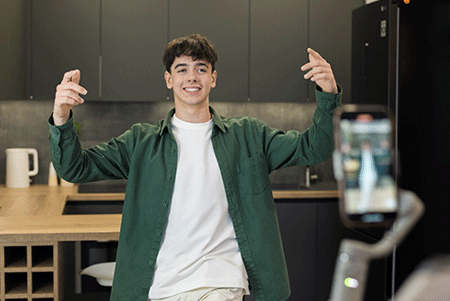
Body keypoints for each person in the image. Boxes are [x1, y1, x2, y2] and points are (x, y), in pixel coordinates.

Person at [49, 34, 342, 301]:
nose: (192, 77)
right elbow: (75, 168)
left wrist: (327, 94)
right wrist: (61, 117)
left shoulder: (248, 135)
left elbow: (313, 147)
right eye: (182, 69)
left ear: (213, 78)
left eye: (201, 68)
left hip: (219, 281)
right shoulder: (142, 141)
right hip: (158, 285)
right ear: (168, 79)